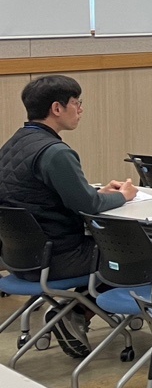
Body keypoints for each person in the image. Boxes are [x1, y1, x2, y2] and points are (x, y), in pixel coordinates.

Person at [0, 76, 137, 355]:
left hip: (20, 258)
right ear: (57, 108)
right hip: (59, 258)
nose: (81, 109)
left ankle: (72, 313)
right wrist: (122, 196)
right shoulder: (54, 152)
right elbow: (88, 205)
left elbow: (42, 196)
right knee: (135, 253)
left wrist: (98, 193)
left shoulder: (12, 145)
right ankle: (76, 313)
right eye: (76, 103)